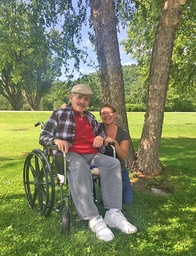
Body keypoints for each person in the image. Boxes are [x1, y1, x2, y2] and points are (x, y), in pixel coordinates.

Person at [39, 84, 137, 242]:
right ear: (71, 98)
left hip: (91, 154)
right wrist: (55, 139)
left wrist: (100, 137)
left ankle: (113, 213)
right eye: (79, 97)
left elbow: (101, 133)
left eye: (86, 99)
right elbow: (43, 136)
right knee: (79, 165)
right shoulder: (59, 113)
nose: (82, 101)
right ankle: (93, 218)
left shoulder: (91, 117)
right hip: (68, 155)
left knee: (113, 163)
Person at [99, 104, 133, 204]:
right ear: (101, 116)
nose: (107, 115)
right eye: (103, 113)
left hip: (119, 167)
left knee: (127, 200)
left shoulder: (123, 133)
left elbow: (123, 156)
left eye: (109, 112)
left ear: (115, 115)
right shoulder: (97, 128)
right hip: (102, 165)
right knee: (109, 197)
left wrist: (115, 143)